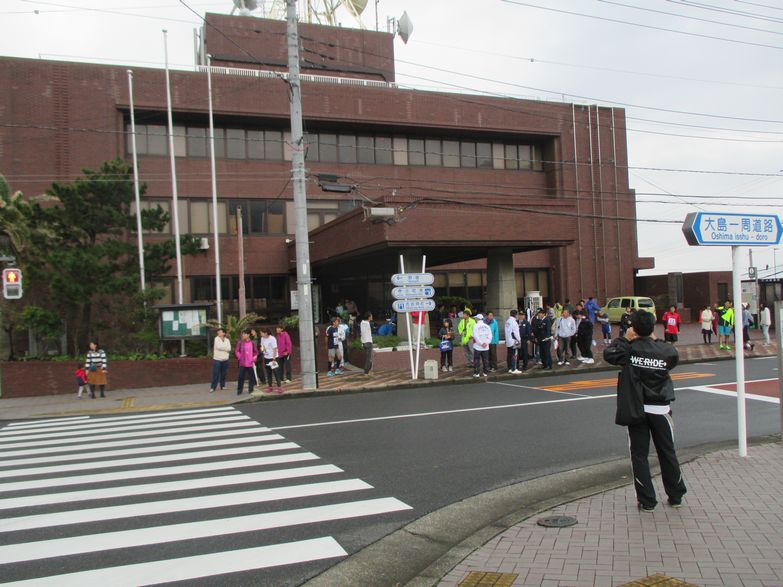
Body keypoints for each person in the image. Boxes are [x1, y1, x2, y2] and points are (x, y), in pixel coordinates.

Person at [604, 310, 687, 512]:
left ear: (633, 328)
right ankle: (675, 495)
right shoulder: (665, 350)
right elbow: (672, 358)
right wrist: (653, 338)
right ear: (653, 326)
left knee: (639, 455)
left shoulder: (629, 350)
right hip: (661, 408)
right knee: (667, 452)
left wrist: (625, 338)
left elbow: (609, 354)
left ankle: (647, 500)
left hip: (637, 408)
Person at [235, 329, 258, 395]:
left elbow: (256, 352)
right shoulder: (240, 342)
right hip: (242, 363)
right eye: (243, 334)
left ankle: (250, 389)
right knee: (240, 377)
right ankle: (239, 390)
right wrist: (239, 357)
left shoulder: (252, 343)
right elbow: (237, 351)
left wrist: (253, 358)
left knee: (251, 377)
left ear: (248, 335)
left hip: (250, 363)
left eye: (244, 334)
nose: (243, 335)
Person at [259, 327, 282, 394]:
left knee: (276, 372)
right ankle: (270, 387)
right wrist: (263, 350)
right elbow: (262, 346)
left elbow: (275, 349)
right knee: (268, 373)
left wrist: (274, 359)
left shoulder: (272, 339)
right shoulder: (262, 338)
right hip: (266, 357)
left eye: (261, 333)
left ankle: (279, 387)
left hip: (273, 358)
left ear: (265, 333)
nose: (260, 334)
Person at [209, 327, 231, 393]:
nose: (218, 332)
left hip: (225, 359)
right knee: (215, 374)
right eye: (218, 332)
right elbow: (218, 347)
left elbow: (229, 348)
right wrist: (225, 348)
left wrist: (224, 348)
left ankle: (223, 386)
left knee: (224, 374)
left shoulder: (227, 340)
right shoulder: (216, 339)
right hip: (217, 359)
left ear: (224, 333)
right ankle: (213, 387)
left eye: (220, 332)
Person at [472, 313, 492, 377]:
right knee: (485, 360)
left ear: (478, 319)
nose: (475, 319)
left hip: (477, 346)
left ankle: (477, 373)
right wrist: (486, 343)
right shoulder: (487, 326)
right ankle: (485, 372)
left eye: (475, 318)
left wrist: (481, 343)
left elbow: (475, 336)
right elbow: (490, 336)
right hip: (486, 347)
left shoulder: (475, 326)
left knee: (476, 360)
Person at [504, 310, 522, 374]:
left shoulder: (507, 321)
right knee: (514, 354)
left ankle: (510, 368)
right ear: (516, 315)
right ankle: (514, 369)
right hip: (513, 340)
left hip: (508, 340)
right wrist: (519, 340)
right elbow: (516, 332)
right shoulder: (514, 322)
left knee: (509, 355)